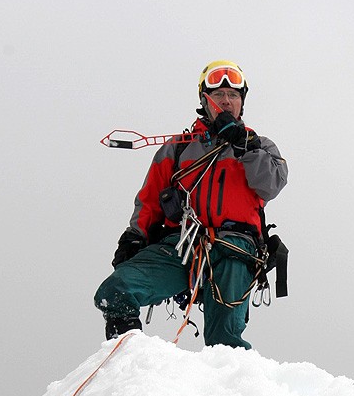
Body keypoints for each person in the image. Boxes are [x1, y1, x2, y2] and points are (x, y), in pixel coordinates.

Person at [94, 61, 288, 349]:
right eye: (218, 94)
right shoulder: (178, 148)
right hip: (183, 245)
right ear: (204, 100)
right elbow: (149, 200)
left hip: (236, 248)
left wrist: (243, 145)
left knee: (225, 341)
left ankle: (232, 387)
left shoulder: (260, 147)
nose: (226, 101)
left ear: (242, 102)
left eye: (233, 95)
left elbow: (272, 183)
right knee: (116, 290)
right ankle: (127, 357)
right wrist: (136, 236)